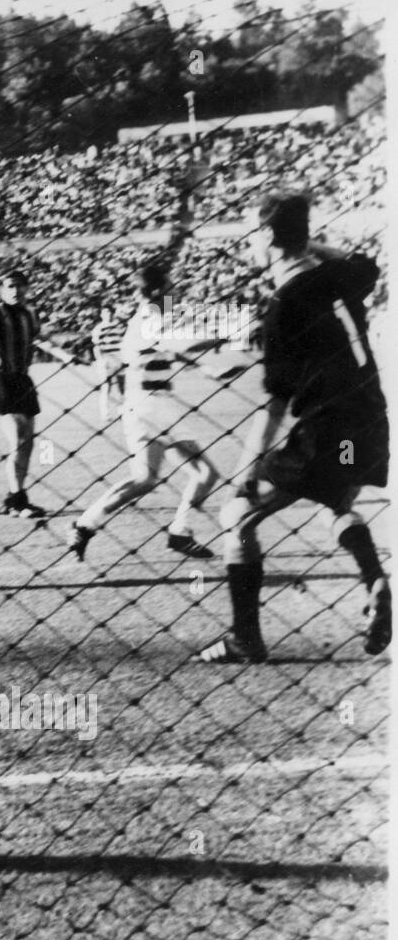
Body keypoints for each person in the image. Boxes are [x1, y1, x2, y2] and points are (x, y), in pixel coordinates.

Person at [198, 193, 390, 663]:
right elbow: (368, 264)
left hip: (326, 429)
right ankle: (376, 581)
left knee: (237, 517)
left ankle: (245, 637)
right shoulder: (341, 277)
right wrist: (308, 243)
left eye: (252, 236)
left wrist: (245, 468)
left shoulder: (283, 306)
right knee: (334, 501)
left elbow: (275, 405)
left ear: (266, 237)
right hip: (365, 428)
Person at [68, 261, 223, 563]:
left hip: (150, 404)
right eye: (169, 285)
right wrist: (220, 336)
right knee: (190, 475)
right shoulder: (150, 315)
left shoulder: (153, 313)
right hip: (150, 405)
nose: (175, 290)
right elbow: (179, 342)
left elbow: (172, 344)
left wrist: (210, 367)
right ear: (156, 290)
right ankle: (174, 530)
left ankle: (89, 525)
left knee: (158, 478)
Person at [0, 271, 48, 517]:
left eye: (20, 286)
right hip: (3, 381)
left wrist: (66, 355)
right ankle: (17, 501)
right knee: (18, 442)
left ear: (27, 288)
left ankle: (16, 498)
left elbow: (40, 339)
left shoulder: (30, 314)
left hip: (24, 380)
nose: (16, 291)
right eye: (11, 286)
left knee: (29, 443)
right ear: (2, 290)